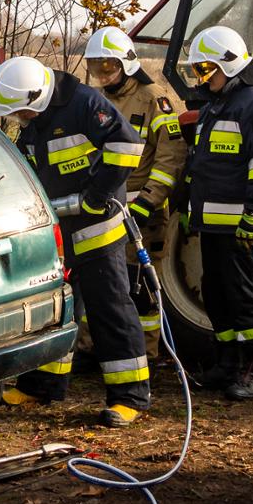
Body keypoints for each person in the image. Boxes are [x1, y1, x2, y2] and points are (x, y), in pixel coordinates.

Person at [0, 55, 151, 427]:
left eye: (23, 113)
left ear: (37, 96)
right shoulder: (37, 117)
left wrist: (96, 195)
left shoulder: (84, 103)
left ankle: (129, 396)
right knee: (55, 311)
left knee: (110, 311)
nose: (21, 120)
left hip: (97, 229)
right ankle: (42, 385)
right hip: (58, 232)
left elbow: (127, 147)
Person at [178, 25, 253, 400]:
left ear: (230, 64)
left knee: (247, 298)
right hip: (214, 226)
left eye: (205, 69)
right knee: (217, 292)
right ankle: (226, 363)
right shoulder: (215, 106)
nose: (200, 78)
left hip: (243, 225)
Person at [81, 26, 187, 359]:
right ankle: (91, 349)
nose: (102, 75)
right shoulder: (96, 102)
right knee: (99, 284)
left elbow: (171, 157)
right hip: (104, 208)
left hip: (142, 213)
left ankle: (145, 353)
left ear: (126, 63)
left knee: (139, 287)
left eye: (108, 67)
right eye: (96, 68)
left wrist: (148, 202)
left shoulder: (154, 99)